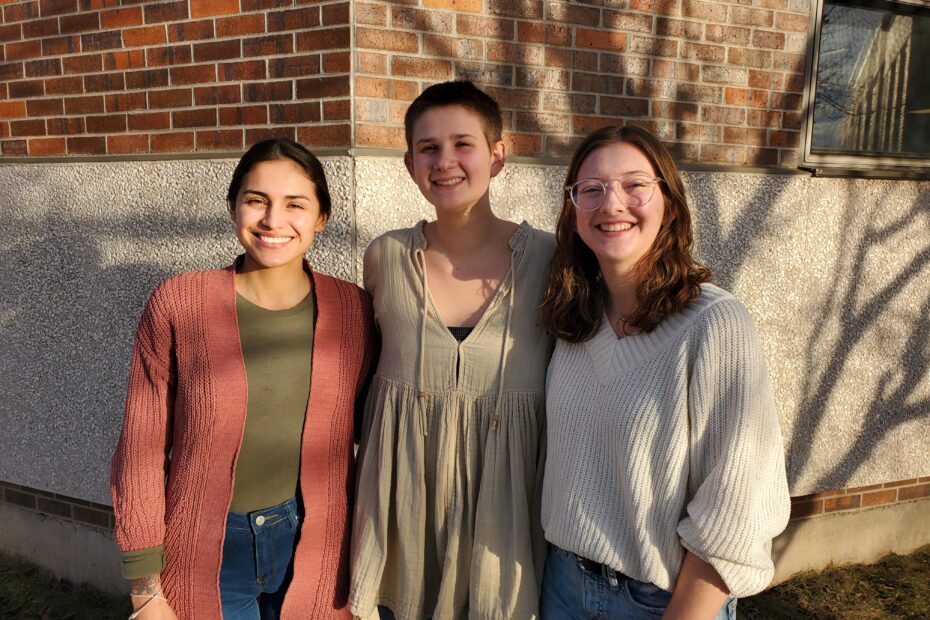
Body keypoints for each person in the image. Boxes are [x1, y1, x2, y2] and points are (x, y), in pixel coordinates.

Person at [110, 139, 376, 620]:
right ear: (233, 207)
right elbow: (141, 447)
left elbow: (373, 431)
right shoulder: (180, 303)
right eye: (256, 200)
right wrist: (145, 589)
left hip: (317, 544)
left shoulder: (354, 312)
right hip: (208, 549)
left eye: (296, 204)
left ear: (321, 217)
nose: (273, 220)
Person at [538, 125, 790, 619]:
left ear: (669, 204)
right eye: (591, 189)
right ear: (573, 212)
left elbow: (738, 507)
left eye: (635, 185)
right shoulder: (573, 322)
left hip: (659, 602)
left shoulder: (714, 324)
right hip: (563, 585)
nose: (612, 204)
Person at [348, 81, 555, 620]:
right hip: (405, 514)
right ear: (409, 162)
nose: (445, 161)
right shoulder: (385, 257)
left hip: (505, 518)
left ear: (498, 154)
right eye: (428, 148)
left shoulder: (551, 262)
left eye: (463, 144)